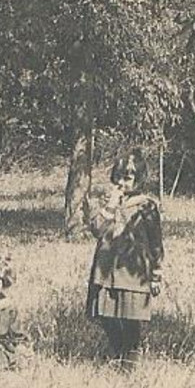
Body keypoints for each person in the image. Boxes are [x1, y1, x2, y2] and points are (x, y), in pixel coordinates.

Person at [85, 150, 165, 371]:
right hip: (106, 270)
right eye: (119, 176)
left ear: (139, 179)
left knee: (131, 320)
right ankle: (118, 352)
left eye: (128, 177)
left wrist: (156, 274)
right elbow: (97, 229)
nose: (122, 182)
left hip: (133, 272)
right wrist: (110, 205)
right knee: (105, 315)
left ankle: (129, 364)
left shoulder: (147, 205)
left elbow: (155, 242)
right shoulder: (105, 202)